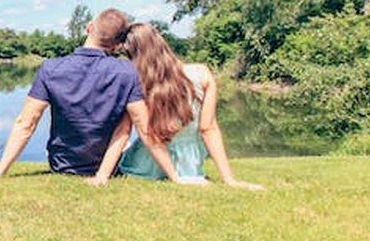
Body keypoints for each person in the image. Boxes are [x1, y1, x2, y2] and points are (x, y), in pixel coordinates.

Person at [0, 9, 184, 183]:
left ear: (89, 27)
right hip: (106, 167)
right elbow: (144, 130)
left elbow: (26, 123)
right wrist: (175, 178)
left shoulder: (50, 68)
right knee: (126, 135)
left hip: (61, 165)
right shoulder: (126, 72)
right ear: (117, 45)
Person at [89, 23, 262, 189]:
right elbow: (208, 129)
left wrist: (103, 174)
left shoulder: (137, 83)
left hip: (141, 167)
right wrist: (229, 180)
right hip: (189, 168)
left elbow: (128, 131)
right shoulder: (202, 74)